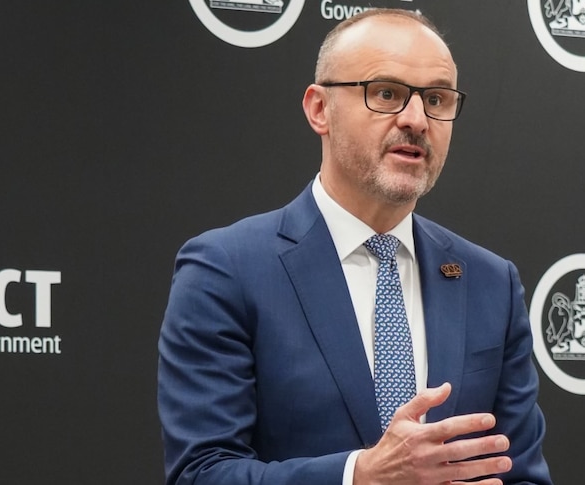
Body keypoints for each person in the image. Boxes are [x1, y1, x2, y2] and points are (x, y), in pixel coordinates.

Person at [158, 8, 552, 485]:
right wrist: (360, 475)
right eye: (386, 93)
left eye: (436, 99)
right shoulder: (226, 270)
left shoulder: (491, 282)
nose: (417, 120)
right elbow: (201, 475)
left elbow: (522, 473)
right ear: (319, 109)